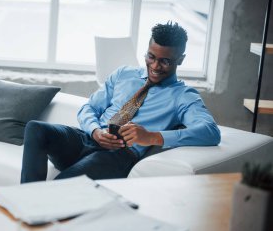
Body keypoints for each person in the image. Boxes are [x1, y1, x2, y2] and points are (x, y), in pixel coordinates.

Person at [20, 21, 221, 183]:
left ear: (181, 59)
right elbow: (89, 107)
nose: (155, 66)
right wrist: (95, 131)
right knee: (36, 128)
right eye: (151, 57)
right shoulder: (124, 74)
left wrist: (152, 137)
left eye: (165, 61)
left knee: (58, 187)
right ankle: (26, 198)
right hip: (88, 138)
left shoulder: (183, 96)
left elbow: (210, 132)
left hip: (120, 155)